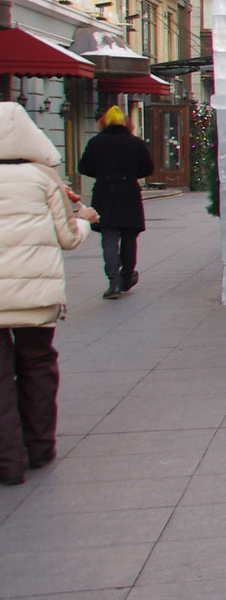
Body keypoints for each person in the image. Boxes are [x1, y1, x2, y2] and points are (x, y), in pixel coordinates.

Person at [0, 103, 94, 485]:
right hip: (37, 293)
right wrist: (84, 221)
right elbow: (68, 238)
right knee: (37, 363)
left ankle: (8, 462)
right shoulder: (44, 179)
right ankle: (39, 448)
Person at [77, 106, 152, 300]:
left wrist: (104, 175)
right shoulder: (136, 143)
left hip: (104, 193)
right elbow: (147, 168)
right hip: (129, 192)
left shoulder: (96, 142)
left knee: (109, 238)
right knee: (129, 237)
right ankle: (127, 275)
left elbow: (84, 167)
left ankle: (113, 281)